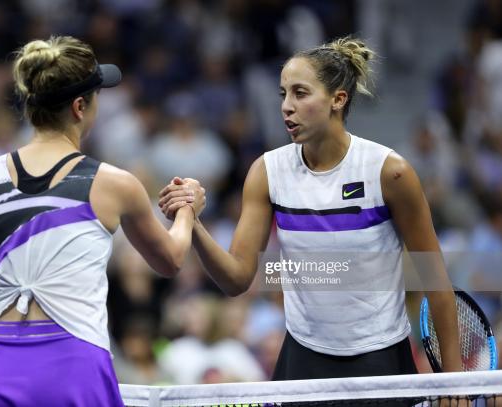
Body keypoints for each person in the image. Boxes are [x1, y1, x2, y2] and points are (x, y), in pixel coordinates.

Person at [0, 36, 205, 406]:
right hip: (76, 373)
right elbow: (171, 260)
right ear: (80, 106)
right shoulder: (114, 184)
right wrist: (187, 209)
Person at [159, 37, 464, 380]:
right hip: (303, 359)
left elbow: (436, 282)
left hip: (381, 359)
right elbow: (236, 280)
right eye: (283, 94)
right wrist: (194, 223)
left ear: (338, 99)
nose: (286, 106)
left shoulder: (389, 172)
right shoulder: (267, 172)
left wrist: (456, 383)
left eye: (300, 93)